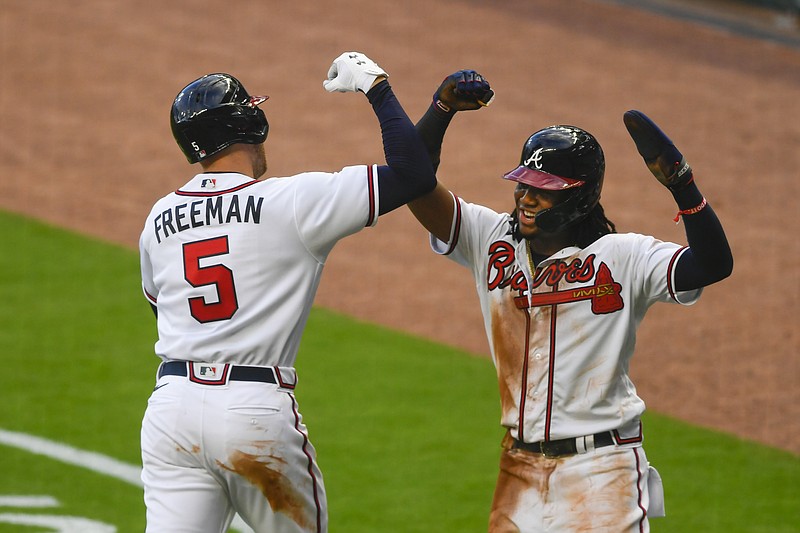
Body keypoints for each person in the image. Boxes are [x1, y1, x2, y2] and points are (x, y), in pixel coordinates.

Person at [409, 71, 733, 532]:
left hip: (602, 471)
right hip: (518, 467)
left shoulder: (624, 257)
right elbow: (413, 185)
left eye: (544, 189)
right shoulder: (491, 240)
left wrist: (682, 184)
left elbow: (711, 265)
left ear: (580, 197)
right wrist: (440, 110)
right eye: (524, 183)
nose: (526, 197)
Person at [137, 52, 435, 533]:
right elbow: (414, 174)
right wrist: (377, 88)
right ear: (249, 123)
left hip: (172, 411)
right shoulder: (292, 202)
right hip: (253, 412)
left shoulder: (159, 217)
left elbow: (162, 308)